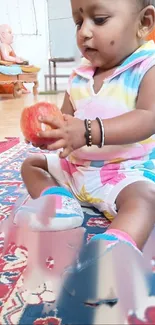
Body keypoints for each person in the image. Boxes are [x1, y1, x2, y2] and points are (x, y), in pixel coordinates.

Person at [22, 0, 155, 254]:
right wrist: (51, 135)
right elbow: (66, 120)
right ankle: (58, 202)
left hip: (123, 172)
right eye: (78, 22)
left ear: (144, 23)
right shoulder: (79, 75)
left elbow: (149, 117)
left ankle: (114, 250)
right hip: (76, 170)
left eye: (100, 19)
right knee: (31, 164)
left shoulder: (147, 67)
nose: (84, 32)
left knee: (146, 198)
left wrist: (88, 131)